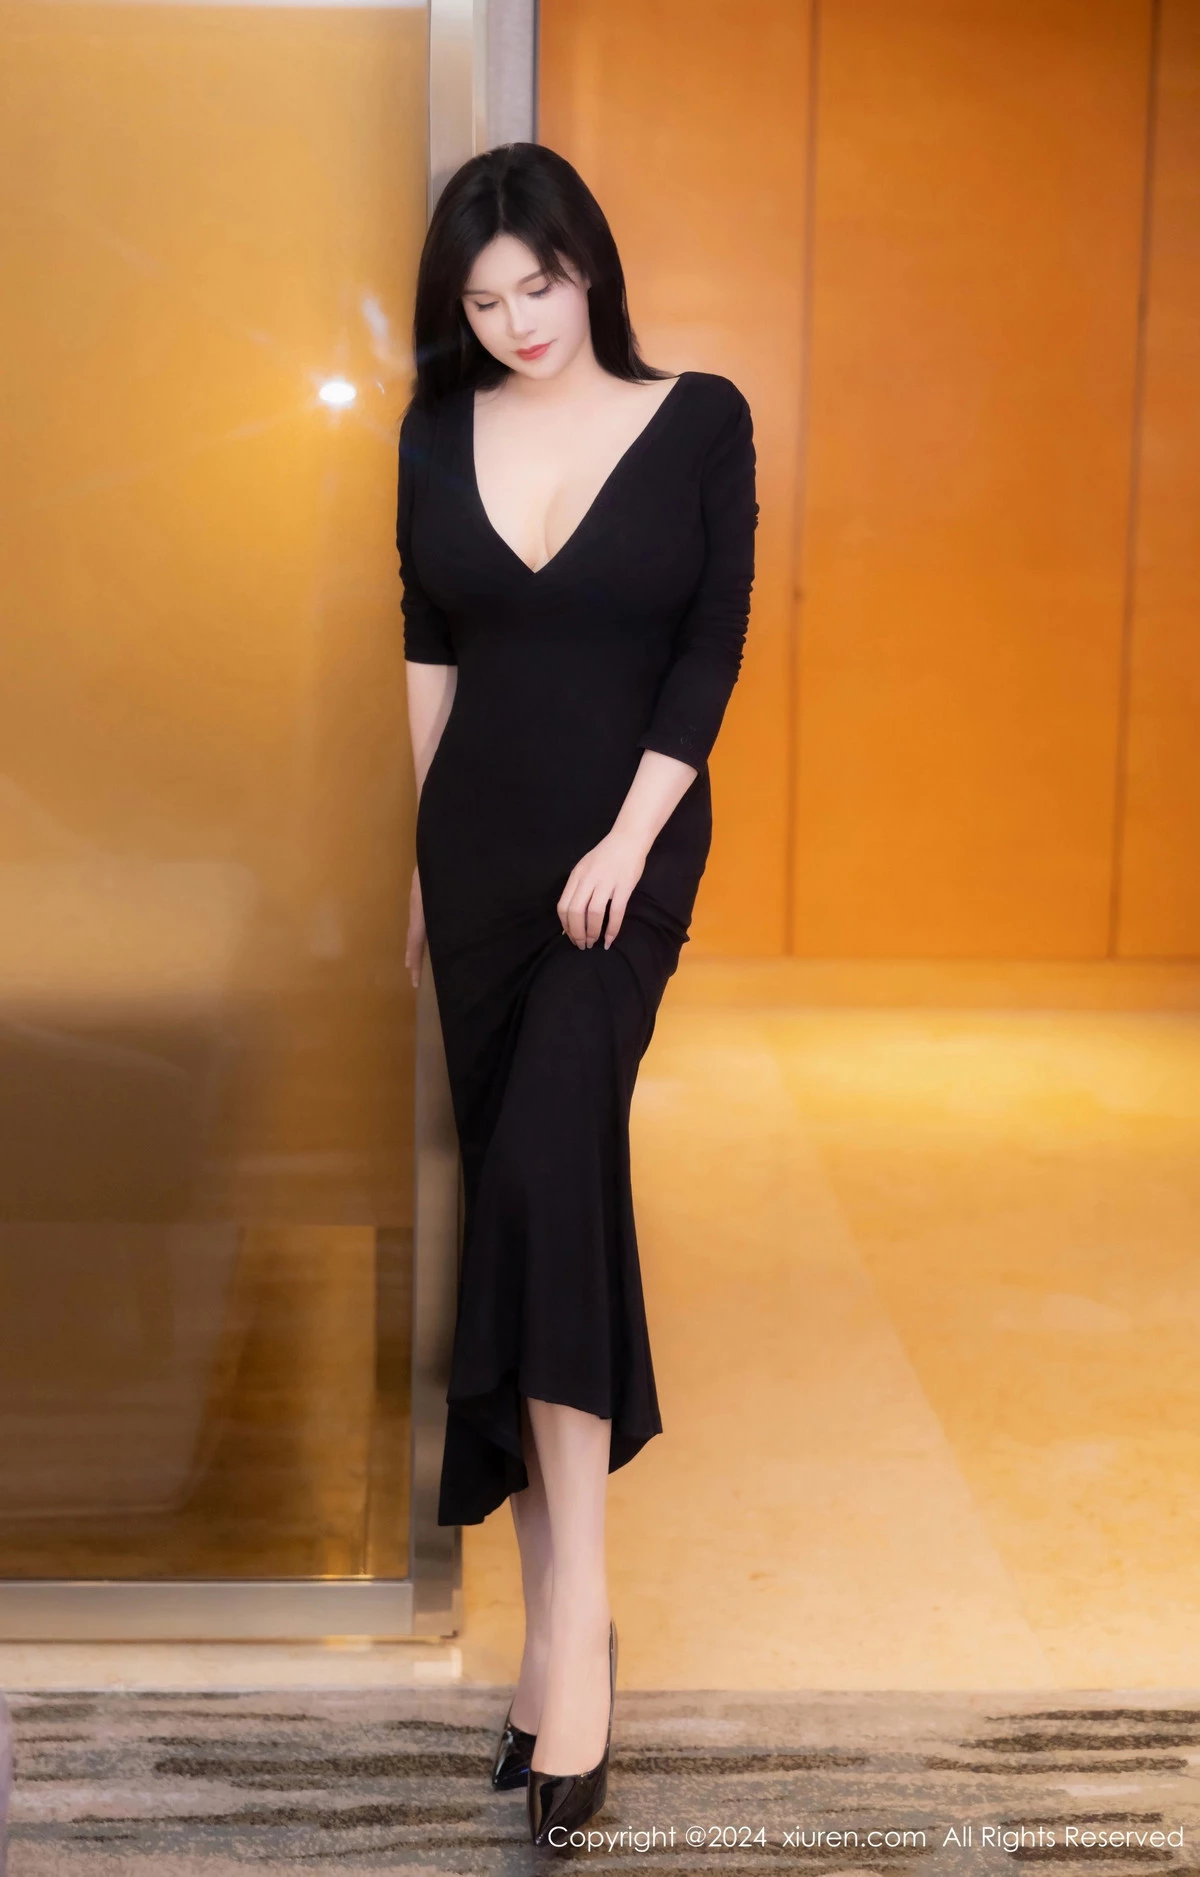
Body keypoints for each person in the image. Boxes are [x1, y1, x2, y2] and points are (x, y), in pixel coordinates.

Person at [396, 141, 757, 1847]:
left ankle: (579, 1633)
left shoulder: (699, 419)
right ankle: (559, 1636)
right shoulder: (434, 431)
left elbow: (712, 645)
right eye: (484, 301)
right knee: (523, 1216)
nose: (519, 320)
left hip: (623, 862)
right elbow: (429, 646)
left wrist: (629, 834)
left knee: (550, 1172)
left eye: (537, 283)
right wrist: (413, 867)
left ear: (587, 266)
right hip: (475, 863)